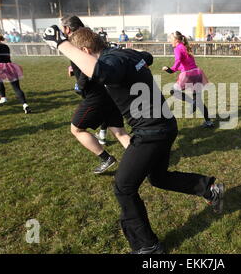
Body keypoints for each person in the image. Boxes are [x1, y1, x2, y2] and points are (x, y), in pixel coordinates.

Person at [43, 25, 224, 254]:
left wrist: (61, 44)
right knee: (159, 178)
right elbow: (146, 57)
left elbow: (103, 72)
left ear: (87, 51)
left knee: (124, 188)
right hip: (164, 125)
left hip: (151, 132)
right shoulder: (122, 54)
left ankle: (147, 246)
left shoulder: (111, 62)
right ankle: (209, 189)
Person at [61, 15, 130, 174]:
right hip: (108, 91)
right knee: (119, 131)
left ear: (67, 29)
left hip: (96, 94)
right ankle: (145, 162)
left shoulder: (77, 41)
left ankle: (106, 158)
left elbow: (89, 64)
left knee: (76, 129)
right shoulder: (89, 35)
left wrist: (80, 84)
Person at [162, 31, 215, 128]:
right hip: (197, 73)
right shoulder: (185, 46)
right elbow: (184, 63)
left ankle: (192, 102)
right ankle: (208, 122)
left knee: (173, 91)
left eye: (170, 39)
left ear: (176, 40)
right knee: (198, 100)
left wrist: (170, 69)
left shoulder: (177, 48)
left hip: (188, 74)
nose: (169, 41)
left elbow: (178, 61)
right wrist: (173, 69)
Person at [0, 31, 31, 113]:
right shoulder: (5, 46)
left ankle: (3, 97)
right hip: (10, 66)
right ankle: (25, 104)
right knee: (16, 88)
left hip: (0, 66)